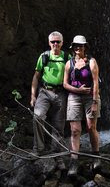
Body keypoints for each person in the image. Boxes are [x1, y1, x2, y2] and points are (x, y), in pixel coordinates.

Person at [63, 35, 101, 176]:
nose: (78, 48)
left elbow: (96, 82)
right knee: (75, 130)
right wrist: (77, 90)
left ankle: (96, 157)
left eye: (81, 45)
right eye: (76, 46)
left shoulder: (91, 62)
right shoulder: (69, 63)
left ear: (85, 47)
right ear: (72, 48)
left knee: (91, 127)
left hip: (90, 98)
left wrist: (95, 101)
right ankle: (74, 162)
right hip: (74, 97)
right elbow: (65, 84)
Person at [30, 31, 68, 170]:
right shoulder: (44, 56)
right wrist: (33, 96)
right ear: (49, 43)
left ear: (62, 43)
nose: (55, 44)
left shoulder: (66, 57)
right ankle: (38, 148)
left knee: (59, 126)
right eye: (53, 42)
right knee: (38, 116)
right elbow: (36, 76)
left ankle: (57, 155)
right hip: (45, 91)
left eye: (58, 41)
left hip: (61, 93)